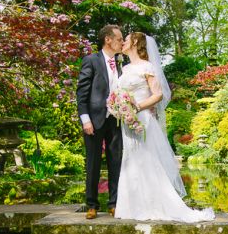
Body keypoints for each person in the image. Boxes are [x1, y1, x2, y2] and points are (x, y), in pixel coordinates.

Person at [113, 32, 215, 223]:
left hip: (142, 118)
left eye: (126, 39)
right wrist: (118, 106)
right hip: (127, 120)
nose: (123, 42)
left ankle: (154, 205)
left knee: (146, 160)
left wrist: (137, 107)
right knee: (131, 160)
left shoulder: (147, 66)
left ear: (135, 42)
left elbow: (158, 94)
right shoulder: (125, 68)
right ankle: (132, 207)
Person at [76, 24, 124, 219]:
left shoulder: (121, 64)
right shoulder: (91, 60)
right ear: (108, 40)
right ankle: (92, 205)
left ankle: (114, 204)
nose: (122, 42)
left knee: (116, 163)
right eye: (119, 39)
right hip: (94, 120)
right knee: (93, 164)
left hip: (116, 120)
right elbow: (82, 92)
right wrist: (85, 119)